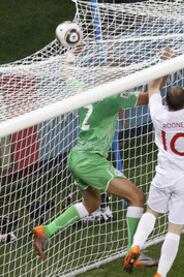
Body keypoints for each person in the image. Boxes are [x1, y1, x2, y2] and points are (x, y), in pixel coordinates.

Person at [32, 42, 156, 267]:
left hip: (76, 157)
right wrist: (164, 68)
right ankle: (133, 252)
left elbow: (66, 74)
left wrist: (73, 52)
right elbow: (150, 97)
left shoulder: (84, 90)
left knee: (91, 204)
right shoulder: (114, 97)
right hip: (90, 160)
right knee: (137, 197)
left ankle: (45, 230)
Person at [123, 37, 184, 277]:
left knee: (151, 213)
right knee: (174, 229)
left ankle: (136, 245)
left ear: (167, 102)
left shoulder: (159, 116)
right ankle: (161, 274)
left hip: (164, 175)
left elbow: (153, 88)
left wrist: (166, 61)